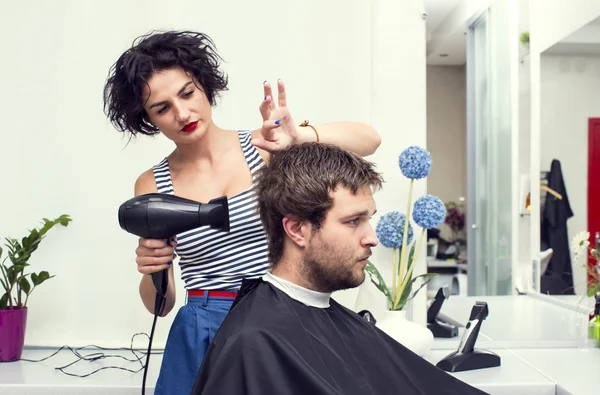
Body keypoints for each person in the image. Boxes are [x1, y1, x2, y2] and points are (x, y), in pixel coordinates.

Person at [102, 30, 381, 395]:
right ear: (148, 119)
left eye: (187, 93)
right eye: (162, 108)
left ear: (203, 84)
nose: (182, 113)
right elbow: (161, 306)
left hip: (279, 317)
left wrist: (299, 136)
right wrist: (152, 269)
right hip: (202, 327)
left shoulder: (265, 146)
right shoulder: (152, 184)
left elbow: (369, 139)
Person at [190, 143, 487, 395]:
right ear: (297, 229)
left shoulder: (324, 316)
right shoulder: (252, 343)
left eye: (368, 219)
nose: (371, 237)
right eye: (353, 221)